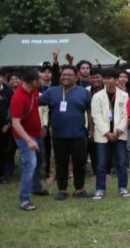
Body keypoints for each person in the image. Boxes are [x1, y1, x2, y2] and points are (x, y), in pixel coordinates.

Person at [39, 65, 92, 200]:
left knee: (79, 163)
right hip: (58, 135)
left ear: (76, 77)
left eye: (69, 75)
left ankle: (79, 189)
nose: (65, 77)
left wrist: (91, 129)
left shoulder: (84, 92)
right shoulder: (52, 91)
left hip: (79, 134)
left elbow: (89, 111)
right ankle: (62, 190)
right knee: (61, 163)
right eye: (63, 75)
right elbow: (37, 102)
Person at [10, 69, 50, 211]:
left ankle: (37, 188)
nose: (42, 81)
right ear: (33, 82)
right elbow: (15, 123)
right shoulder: (18, 97)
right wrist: (28, 140)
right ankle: (24, 200)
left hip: (36, 133)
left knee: (39, 161)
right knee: (30, 165)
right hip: (24, 137)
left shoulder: (33, 91)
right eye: (39, 79)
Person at [90, 68, 130, 199]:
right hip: (103, 135)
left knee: (121, 163)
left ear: (116, 79)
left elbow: (126, 115)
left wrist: (118, 131)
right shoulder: (97, 96)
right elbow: (96, 116)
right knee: (101, 164)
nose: (107, 81)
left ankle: (123, 187)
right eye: (105, 78)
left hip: (120, 134)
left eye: (110, 78)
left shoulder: (124, 95)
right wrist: (107, 133)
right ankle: (100, 189)